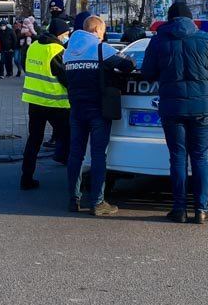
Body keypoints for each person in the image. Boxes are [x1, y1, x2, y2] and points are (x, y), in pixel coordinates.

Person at [139, 1, 208, 224]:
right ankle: (201, 209)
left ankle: (179, 209)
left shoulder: (158, 41)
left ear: (169, 20)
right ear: (190, 18)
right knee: (200, 158)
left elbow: (147, 73)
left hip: (172, 106)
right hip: (202, 107)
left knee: (177, 157)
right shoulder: (206, 39)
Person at [64, 13, 136, 216]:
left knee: (75, 154)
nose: (103, 36)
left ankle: (73, 199)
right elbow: (128, 64)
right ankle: (97, 202)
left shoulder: (69, 51)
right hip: (98, 109)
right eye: (102, 33)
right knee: (98, 155)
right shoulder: (101, 48)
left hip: (76, 108)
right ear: (96, 30)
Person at [19, 17, 72, 191]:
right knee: (70, 140)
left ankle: (26, 178)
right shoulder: (57, 50)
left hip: (34, 102)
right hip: (56, 103)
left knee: (34, 141)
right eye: (66, 34)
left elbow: (25, 66)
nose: (67, 37)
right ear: (60, 34)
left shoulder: (34, 46)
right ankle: (74, 183)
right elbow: (65, 78)